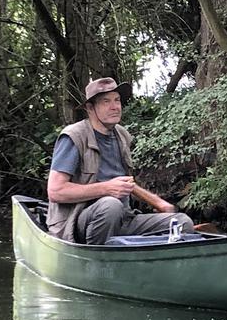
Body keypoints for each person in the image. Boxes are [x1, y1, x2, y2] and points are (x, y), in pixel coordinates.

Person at [46, 77, 195, 244]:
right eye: (106, 101)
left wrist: (159, 203)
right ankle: (98, 261)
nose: (115, 106)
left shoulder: (122, 135)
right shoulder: (74, 136)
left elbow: (125, 183)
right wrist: (106, 188)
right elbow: (55, 191)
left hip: (122, 218)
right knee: (111, 205)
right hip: (77, 223)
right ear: (90, 108)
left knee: (182, 223)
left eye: (117, 100)